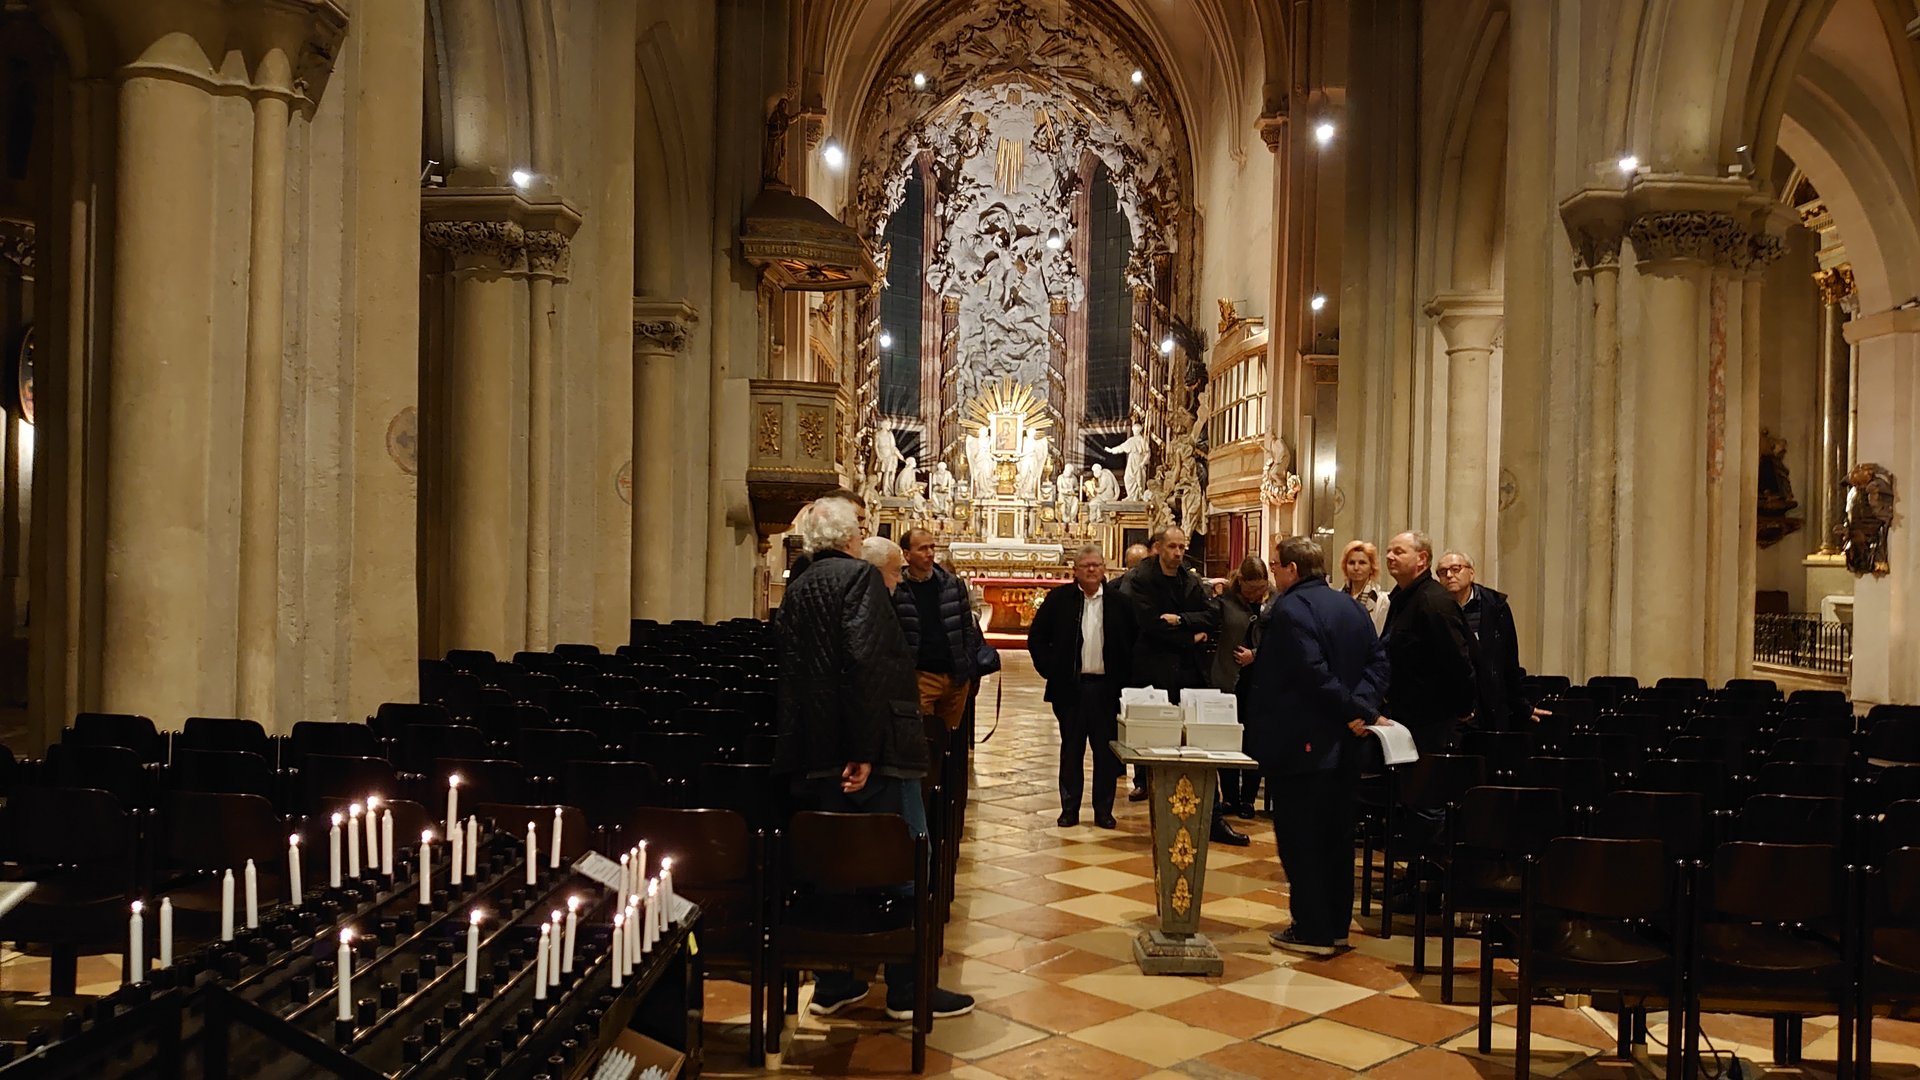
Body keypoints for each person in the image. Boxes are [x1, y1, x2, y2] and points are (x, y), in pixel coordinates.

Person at [772, 496, 974, 1020]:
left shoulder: (800, 584)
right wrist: (863, 751)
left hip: (815, 747)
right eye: (861, 529)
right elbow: (869, 665)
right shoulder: (858, 580)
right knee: (906, 857)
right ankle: (909, 990)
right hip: (876, 751)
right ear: (847, 538)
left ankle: (834, 983)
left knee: (834, 862)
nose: (864, 536)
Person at [1243, 537, 1390, 955]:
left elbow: (1311, 672)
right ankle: (1337, 925)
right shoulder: (1349, 606)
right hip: (1345, 745)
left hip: (1304, 742)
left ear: (1291, 569)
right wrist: (1361, 708)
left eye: (1276, 566)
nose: (1274, 574)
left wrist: (1351, 710)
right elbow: (1379, 663)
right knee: (1337, 837)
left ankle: (1313, 929)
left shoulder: (1290, 609)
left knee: (1301, 837)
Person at [1117, 527, 1246, 845]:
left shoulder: (1189, 579)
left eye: (1181, 547)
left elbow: (1212, 615)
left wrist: (1182, 621)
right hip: (1152, 673)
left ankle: (1212, 818)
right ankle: (1164, 816)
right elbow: (1147, 624)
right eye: (1172, 546)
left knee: (1199, 743)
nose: (1177, 552)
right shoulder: (1140, 579)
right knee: (1156, 744)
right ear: (1158, 548)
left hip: (1188, 673)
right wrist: (1189, 636)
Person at [1027, 545, 1134, 828]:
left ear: (1104, 569)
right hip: (1071, 688)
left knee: (1105, 753)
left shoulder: (1120, 603)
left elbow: (1134, 644)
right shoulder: (1059, 600)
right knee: (1071, 749)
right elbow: (1037, 637)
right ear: (1075, 570)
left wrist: (1125, 680)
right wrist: (1052, 670)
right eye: (1085, 565)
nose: (1091, 570)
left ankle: (1103, 810)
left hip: (1106, 689)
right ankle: (1069, 809)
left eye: (1096, 565)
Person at [1379, 531, 1476, 754]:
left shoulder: (1433, 601)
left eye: (1398, 552)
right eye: (1388, 552)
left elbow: (1458, 660)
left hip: (1433, 724)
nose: (1390, 557)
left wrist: (1463, 708)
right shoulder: (1401, 598)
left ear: (1422, 559)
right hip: (1407, 719)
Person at [892, 528, 984, 733]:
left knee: (950, 741)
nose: (930, 553)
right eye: (923, 548)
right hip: (921, 676)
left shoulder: (953, 584)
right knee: (922, 739)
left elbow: (967, 628)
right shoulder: (898, 588)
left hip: (954, 677)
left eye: (932, 547)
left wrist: (966, 667)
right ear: (906, 554)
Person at [1435, 551, 1538, 731]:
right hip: (1448, 705)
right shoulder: (1435, 607)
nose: (1449, 575)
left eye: (1455, 569)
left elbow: (1509, 661)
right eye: (1442, 572)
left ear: (1471, 573)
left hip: (1488, 704)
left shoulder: (1495, 606)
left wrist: (1522, 706)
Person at [1210, 556, 1270, 820]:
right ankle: (1230, 797)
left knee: (1255, 740)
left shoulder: (1274, 601)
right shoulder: (1226, 601)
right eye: (1251, 589)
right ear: (1241, 582)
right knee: (1228, 740)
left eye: (1261, 588)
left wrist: (1255, 654)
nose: (1256, 594)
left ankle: (1248, 799)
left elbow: (1280, 639)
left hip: (1259, 679)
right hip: (1228, 678)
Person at [1339, 539, 1390, 635]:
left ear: (1371, 568)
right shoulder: (1336, 598)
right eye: (1351, 563)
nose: (1356, 568)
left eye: (1362, 563)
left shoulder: (1383, 601)